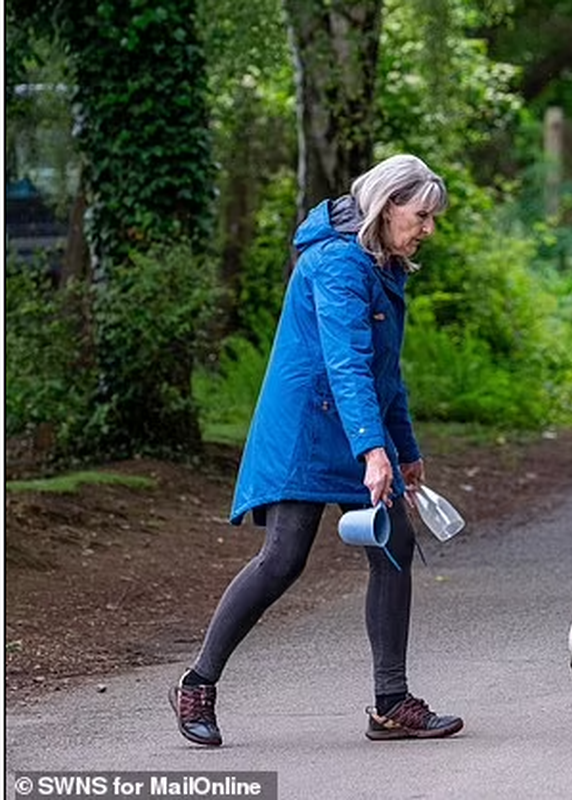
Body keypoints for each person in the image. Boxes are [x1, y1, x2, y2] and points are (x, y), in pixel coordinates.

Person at [168, 154, 463, 745]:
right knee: (284, 556)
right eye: (422, 215)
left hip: (355, 424)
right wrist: (372, 452)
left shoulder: (384, 264)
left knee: (396, 546)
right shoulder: (338, 262)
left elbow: (384, 371)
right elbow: (345, 364)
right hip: (307, 426)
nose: (428, 228)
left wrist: (403, 447)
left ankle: (390, 702)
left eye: (433, 217)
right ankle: (196, 685)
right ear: (387, 206)